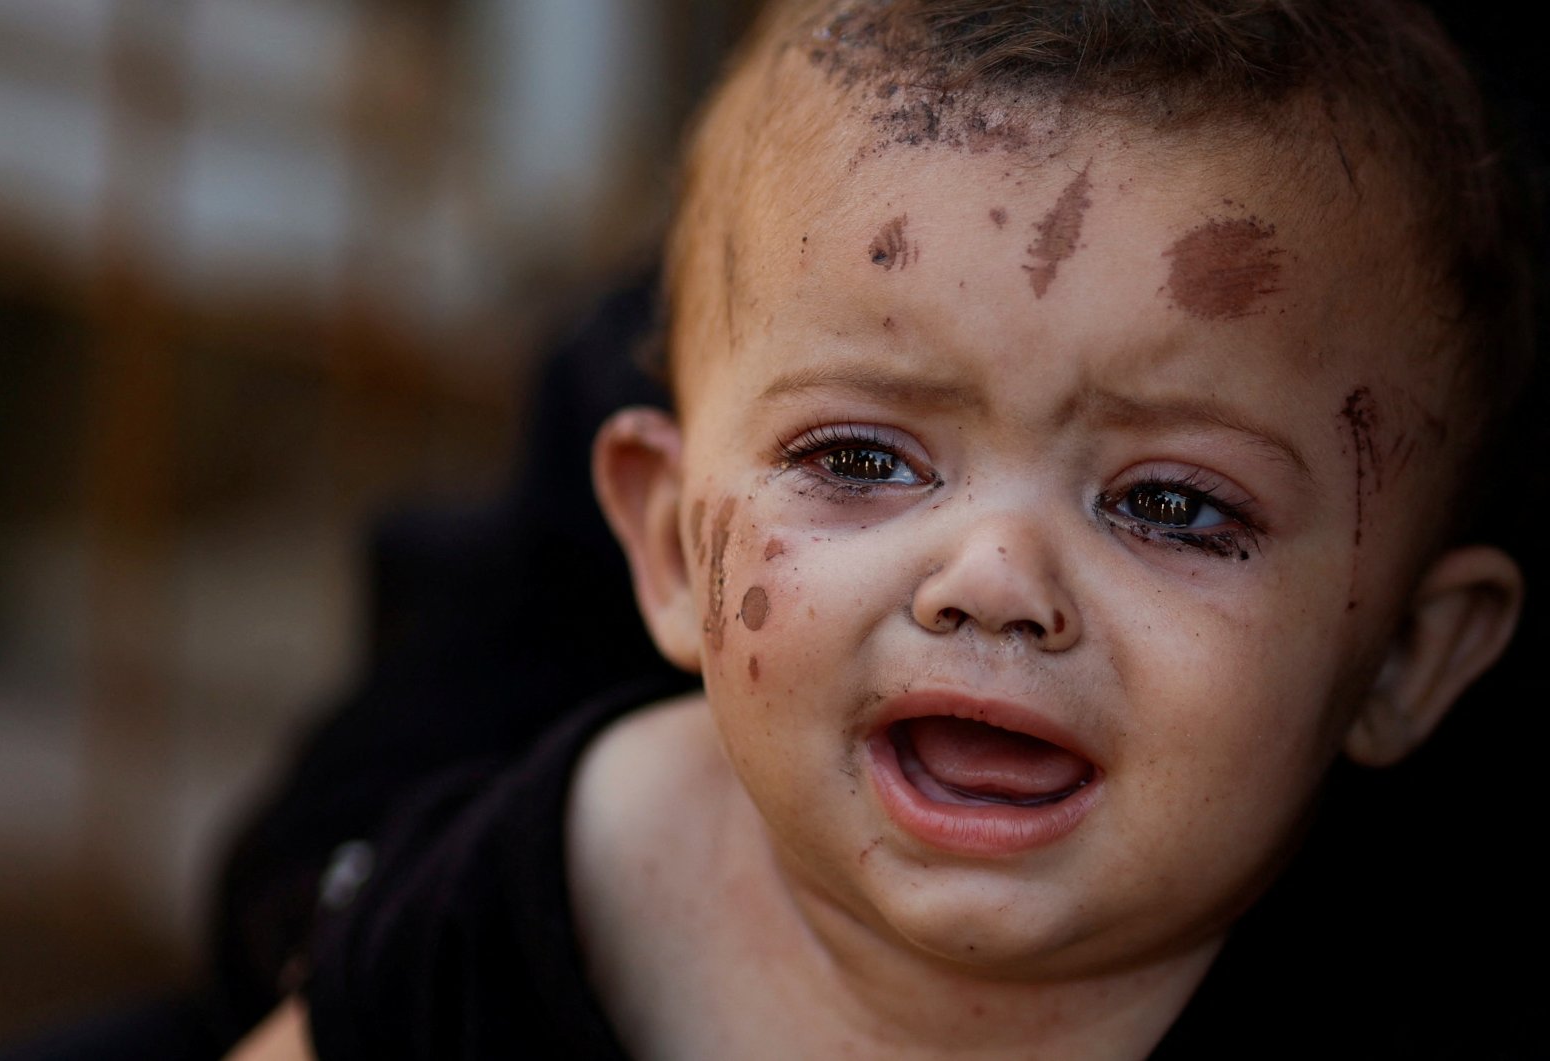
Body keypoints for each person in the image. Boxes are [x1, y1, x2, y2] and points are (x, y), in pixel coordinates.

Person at [229, 0, 1544, 1057]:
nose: (995, 577)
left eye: (1172, 504)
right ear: (676, 546)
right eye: (861, 457)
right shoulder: (562, 879)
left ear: (1406, 658)